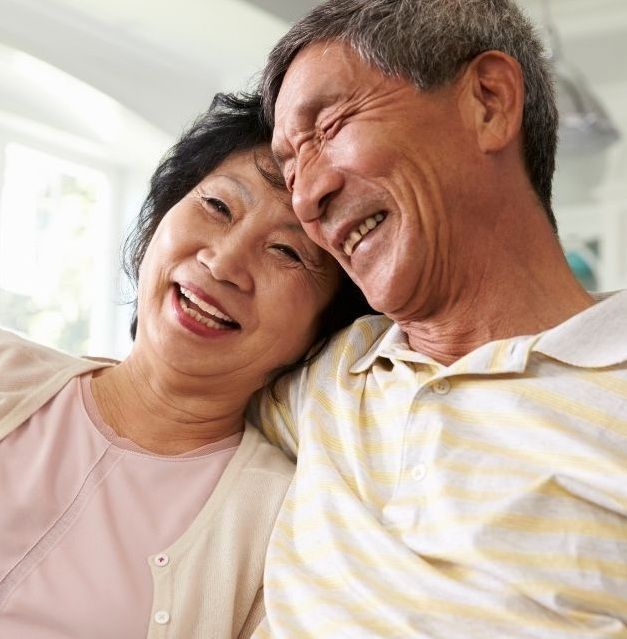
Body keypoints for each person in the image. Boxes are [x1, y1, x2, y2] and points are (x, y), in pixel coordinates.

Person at [249, 1, 627, 636]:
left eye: (332, 126)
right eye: (290, 170)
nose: (307, 198)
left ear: (487, 102)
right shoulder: (319, 381)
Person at [0, 92, 372, 639]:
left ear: (323, 331)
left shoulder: (287, 528)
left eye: (288, 253)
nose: (223, 263)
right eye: (218, 207)